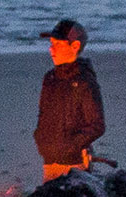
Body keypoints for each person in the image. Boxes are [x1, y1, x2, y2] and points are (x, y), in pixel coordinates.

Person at [34, 19, 105, 181]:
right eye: (51, 44)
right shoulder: (50, 78)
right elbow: (43, 114)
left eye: (58, 44)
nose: (51, 49)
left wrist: (71, 146)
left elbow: (97, 125)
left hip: (74, 163)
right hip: (50, 160)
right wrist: (41, 139)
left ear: (75, 46)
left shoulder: (84, 81)